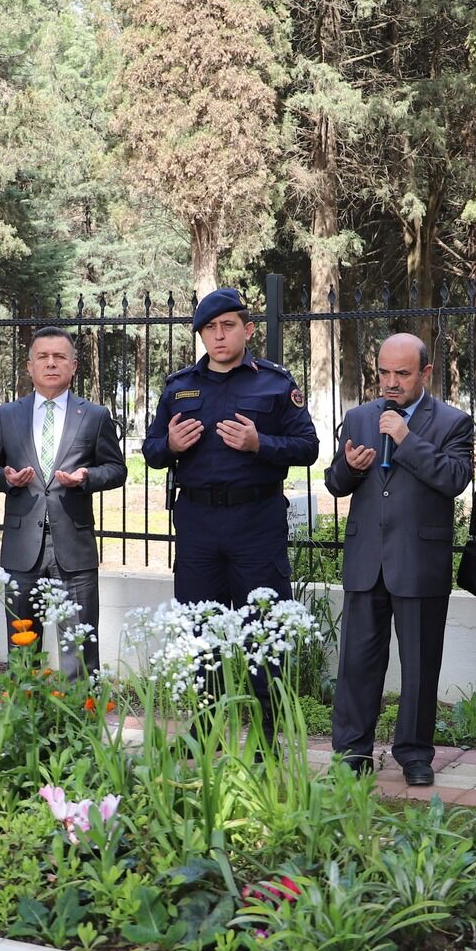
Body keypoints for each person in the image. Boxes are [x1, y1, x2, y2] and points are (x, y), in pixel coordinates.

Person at [143, 288, 319, 732]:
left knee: (265, 633)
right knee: (201, 631)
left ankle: (266, 739)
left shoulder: (275, 383)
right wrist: (170, 446)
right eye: (209, 329)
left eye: (228, 326)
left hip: (256, 522)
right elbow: (151, 449)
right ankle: (205, 735)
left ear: (248, 329)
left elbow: (308, 447)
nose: (218, 337)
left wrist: (261, 444)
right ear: (200, 334)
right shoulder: (180, 386)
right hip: (198, 523)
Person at [323, 334, 475, 787]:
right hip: (367, 559)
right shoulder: (358, 417)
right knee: (357, 661)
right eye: (384, 372)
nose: (390, 383)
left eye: (402, 374)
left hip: (419, 560)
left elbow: (454, 479)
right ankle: (353, 750)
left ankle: (414, 754)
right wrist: (348, 466)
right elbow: (334, 482)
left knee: (420, 663)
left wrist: (406, 439)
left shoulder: (453, 421)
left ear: (426, 373)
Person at [0, 326, 126, 679]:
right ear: (29, 367)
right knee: (22, 652)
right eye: (43, 357)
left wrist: (86, 478)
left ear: (74, 366)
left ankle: (80, 727)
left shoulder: (94, 415)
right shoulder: (7, 414)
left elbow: (116, 470)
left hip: (74, 549)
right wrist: (6, 480)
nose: (51, 364)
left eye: (60, 357)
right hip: (21, 549)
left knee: (80, 651)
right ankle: (26, 725)